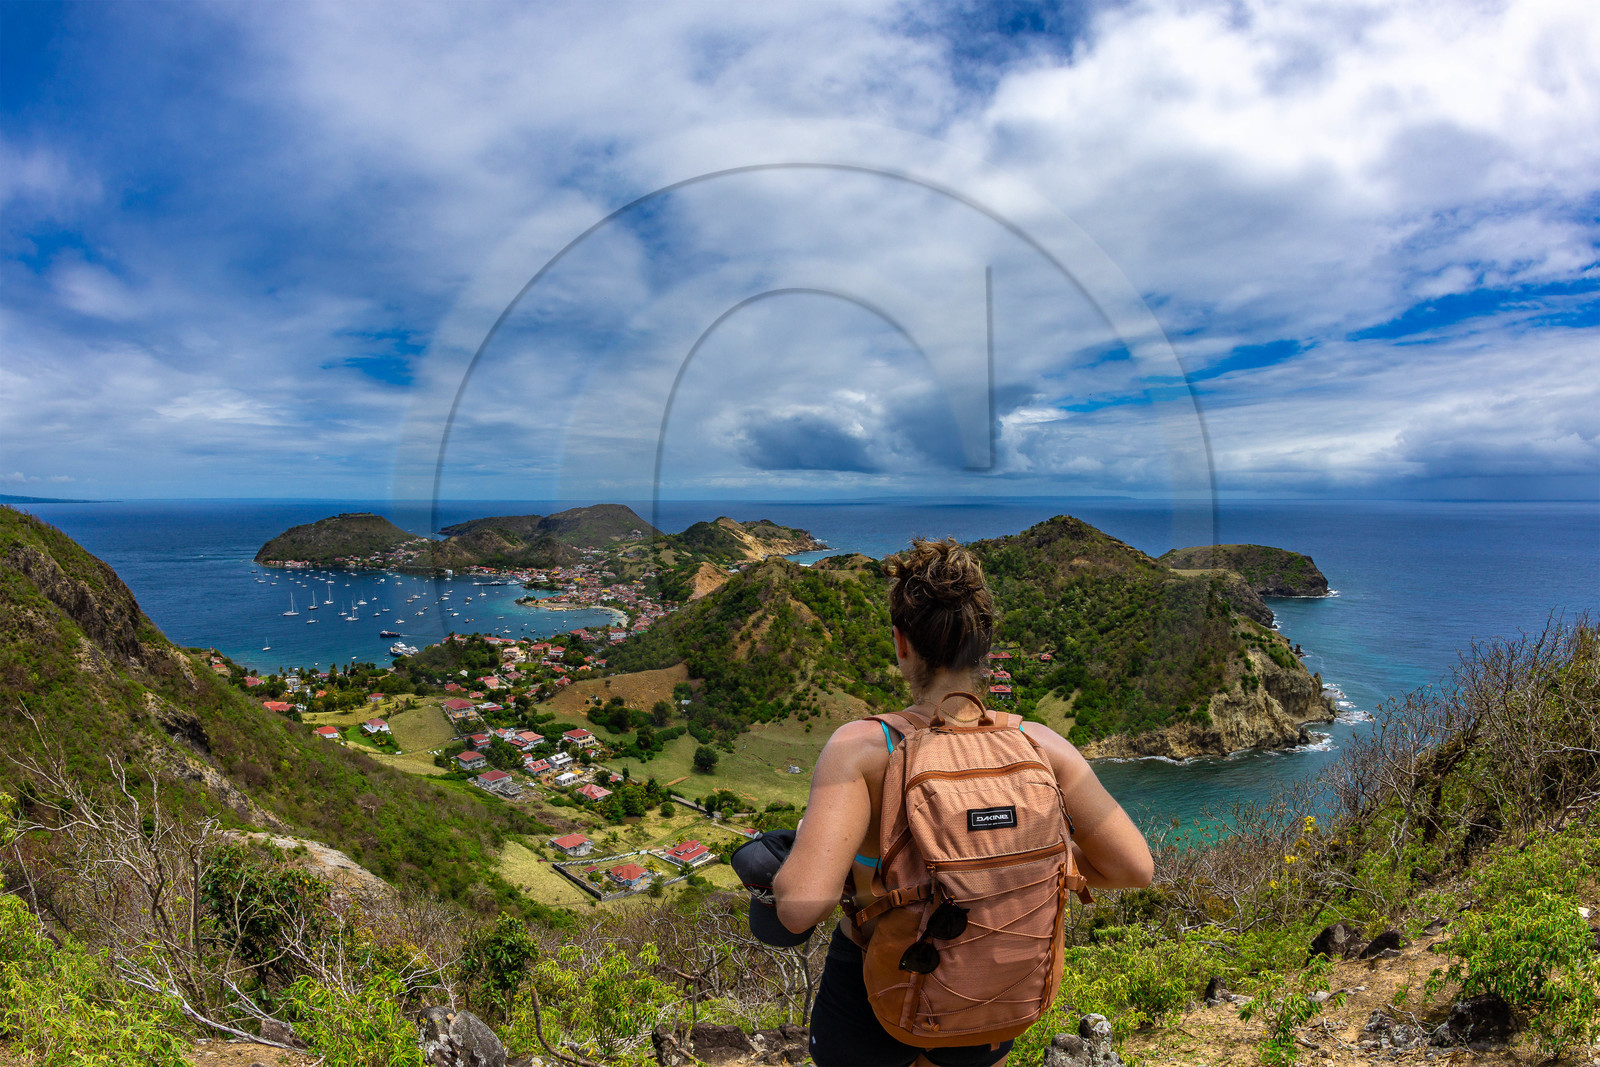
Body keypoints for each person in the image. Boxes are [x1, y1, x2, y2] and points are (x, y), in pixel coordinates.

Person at [771, 538, 1154, 1067]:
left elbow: (798, 910)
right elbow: (1134, 867)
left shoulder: (861, 749)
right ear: (984, 648)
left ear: (902, 644)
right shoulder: (1041, 744)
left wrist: (787, 866)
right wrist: (1019, 864)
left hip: (872, 995)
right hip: (995, 996)